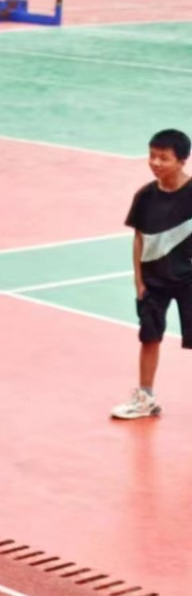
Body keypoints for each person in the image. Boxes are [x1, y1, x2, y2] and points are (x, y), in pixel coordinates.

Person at [112, 128, 192, 421]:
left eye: (164, 158)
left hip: (189, 280)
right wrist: (138, 280)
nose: (156, 163)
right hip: (153, 281)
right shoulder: (145, 196)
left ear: (182, 160)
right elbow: (138, 238)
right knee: (149, 337)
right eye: (152, 156)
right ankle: (145, 397)